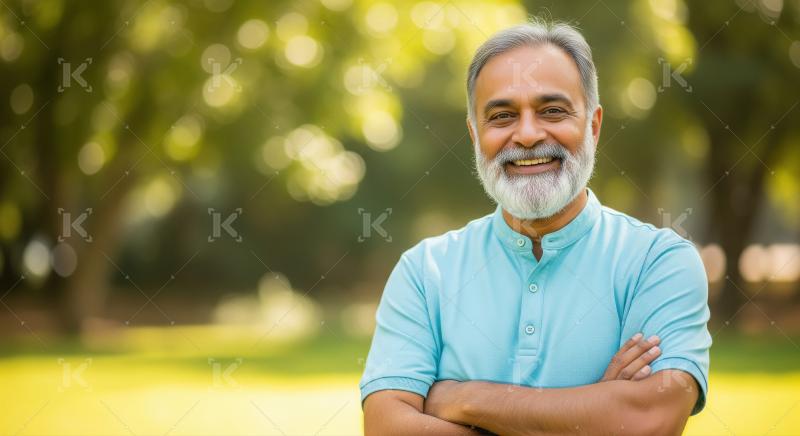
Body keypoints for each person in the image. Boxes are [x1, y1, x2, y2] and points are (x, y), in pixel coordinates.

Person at [360, 18, 711, 435]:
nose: (527, 135)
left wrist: (463, 399)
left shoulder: (660, 263)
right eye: (502, 116)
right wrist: (591, 412)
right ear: (475, 135)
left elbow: (645, 420)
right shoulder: (424, 272)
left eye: (553, 111)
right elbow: (386, 427)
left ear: (593, 127)